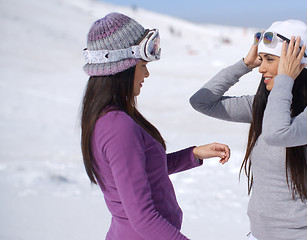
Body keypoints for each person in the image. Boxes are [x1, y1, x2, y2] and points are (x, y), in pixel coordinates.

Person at [80, 13, 231, 240]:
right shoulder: (118, 127)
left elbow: (141, 172)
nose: (146, 74)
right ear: (122, 68)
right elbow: (143, 219)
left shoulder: (107, 119)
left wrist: (193, 154)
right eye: (142, 65)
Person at [190, 20, 307, 240]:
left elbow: (277, 133)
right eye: (261, 60)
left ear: (298, 61)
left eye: (270, 59)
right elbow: (201, 102)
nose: (261, 68)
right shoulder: (264, 107)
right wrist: (244, 64)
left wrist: (285, 78)